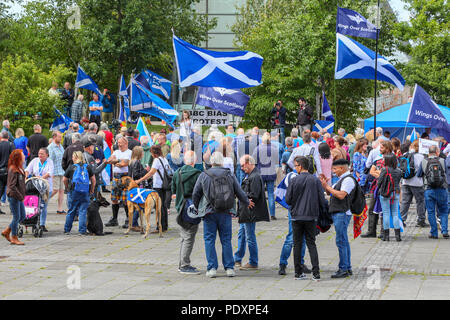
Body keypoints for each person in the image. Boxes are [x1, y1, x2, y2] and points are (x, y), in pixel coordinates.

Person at [192, 152, 249, 278]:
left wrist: (197, 207)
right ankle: (229, 268)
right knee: (226, 239)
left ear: (211, 162)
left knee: (209, 239)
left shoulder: (204, 175)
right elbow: (239, 191)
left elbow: (196, 193)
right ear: (222, 162)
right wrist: (247, 202)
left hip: (209, 212)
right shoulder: (229, 174)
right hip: (225, 211)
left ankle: (212, 268)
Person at [287, 156, 326, 281]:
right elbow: (322, 200)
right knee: (311, 243)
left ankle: (298, 272)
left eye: (296, 165)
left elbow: (288, 199)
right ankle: (316, 273)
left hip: (297, 216)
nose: (295, 168)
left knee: (297, 244)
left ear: (301, 166)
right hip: (311, 216)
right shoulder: (315, 180)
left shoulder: (294, 180)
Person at [320, 159, 355, 278]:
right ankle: (347, 267)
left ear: (342, 168)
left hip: (342, 213)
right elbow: (331, 193)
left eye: (335, 169)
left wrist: (327, 187)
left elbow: (341, 195)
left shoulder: (348, 180)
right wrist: (326, 185)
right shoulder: (342, 179)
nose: (333, 171)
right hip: (339, 212)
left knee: (341, 241)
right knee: (343, 240)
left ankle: (343, 268)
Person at [234, 155, 269, 270]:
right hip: (246, 211)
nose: (242, 168)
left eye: (243, 165)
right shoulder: (251, 175)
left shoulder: (254, 177)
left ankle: (253, 261)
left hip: (249, 212)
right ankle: (237, 258)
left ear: (249, 163)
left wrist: (243, 198)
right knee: (242, 234)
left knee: (249, 236)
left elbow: (254, 194)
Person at [171, 151, 202, 274]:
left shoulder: (177, 173)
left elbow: (173, 190)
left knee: (184, 236)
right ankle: (184, 265)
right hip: (192, 208)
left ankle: (182, 263)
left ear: (184, 160)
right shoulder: (198, 174)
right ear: (194, 161)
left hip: (180, 207)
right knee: (189, 236)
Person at [135, 144, 171, 232]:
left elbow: (151, 173)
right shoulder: (164, 159)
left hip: (158, 185)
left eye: (151, 152)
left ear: (154, 153)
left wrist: (140, 180)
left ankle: (160, 227)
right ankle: (164, 225)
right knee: (163, 206)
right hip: (165, 184)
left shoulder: (156, 160)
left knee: (159, 207)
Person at [419, 145, 448, 239]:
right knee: (443, 210)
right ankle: (444, 231)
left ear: (429, 152)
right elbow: (446, 173)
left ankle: (434, 233)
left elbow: (419, 174)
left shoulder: (424, 161)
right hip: (442, 188)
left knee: (431, 212)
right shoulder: (442, 160)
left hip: (429, 189)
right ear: (437, 152)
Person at [63, 151, 95, 235]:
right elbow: (93, 180)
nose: (72, 158)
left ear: (76, 157)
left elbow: (64, 179)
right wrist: (92, 189)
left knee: (71, 210)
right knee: (83, 211)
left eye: (73, 157)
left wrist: (67, 187)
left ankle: (67, 230)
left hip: (74, 191)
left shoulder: (71, 167)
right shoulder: (87, 167)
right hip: (85, 191)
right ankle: (82, 230)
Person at [104, 137, 132, 228]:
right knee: (114, 199)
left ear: (126, 143)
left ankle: (128, 219)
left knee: (125, 199)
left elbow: (125, 163)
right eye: (118, 143)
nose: (119, 145)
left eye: (121, 143)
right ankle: (114, 219)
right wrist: (118, 162)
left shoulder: (130, 152)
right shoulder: (116, 152)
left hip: (125, 177)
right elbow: (109, 160)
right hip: (116, 177)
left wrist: (116, 162)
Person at [25, 147, 54, 231]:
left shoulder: (50, 162)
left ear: (47, 155)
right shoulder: (35, 161)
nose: (40, 155)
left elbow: (50, 173)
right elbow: (27, 169)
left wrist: (41, 178)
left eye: (42, 154)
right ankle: (34, 222)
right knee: (35, 205)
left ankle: (42, 224)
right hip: (35, 187)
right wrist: (26, 176)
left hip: (46, 187)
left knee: (43, 206)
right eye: (39, 153)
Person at [252, 132, 279, 220]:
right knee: (271, 193)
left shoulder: (258, 148)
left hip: (261, 173)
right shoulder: (274, 148)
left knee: (260, 194)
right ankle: (272, 214)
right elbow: (276, 161)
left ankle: (260, 213)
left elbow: (254, 161)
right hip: (271, 172)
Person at [400, 140, 427, 227]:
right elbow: (422, 169)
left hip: (405, 181)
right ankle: (420, 220)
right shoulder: (420, 156)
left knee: (405, 202)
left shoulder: (406, 155)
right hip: (417, 182)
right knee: (420, 201)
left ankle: (402, 220)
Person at [2, 150, 26, 245]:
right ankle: (14, 237)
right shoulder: (13, 169)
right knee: (17, 217)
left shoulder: (20, 168)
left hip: (18, 196)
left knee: (22, 216)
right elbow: (11, 186)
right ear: (18, 158)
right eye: (22, 155)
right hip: (14, 196)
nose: (24, 156)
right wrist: (20, 196)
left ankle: (7, 231)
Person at [378, 154, 402, 241]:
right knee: (395, 213)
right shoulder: (399, 170)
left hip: (385, 193)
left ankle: (386, 236)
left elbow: (379, 182)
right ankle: (398, 236)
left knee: (386, 213)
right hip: (396, 193)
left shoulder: (385, 169)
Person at [48, 131, 66, 214]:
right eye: (59, 137)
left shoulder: (60, 146)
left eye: (61, 137)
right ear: (54, 137)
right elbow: (50, 161)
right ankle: (43, 201)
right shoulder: (51, 147)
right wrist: (50, 173)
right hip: (54, 172)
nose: (61, 138)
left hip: (62, 171)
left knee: (61, 190)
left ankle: (60, 208)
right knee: (54, 190)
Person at [0, 132, 15, 215]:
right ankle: (12, 209)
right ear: (8, 137)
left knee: (0, 190)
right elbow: (14, 158)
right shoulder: (11, 145)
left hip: (0, 170)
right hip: (9, 170)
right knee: (10, 189)